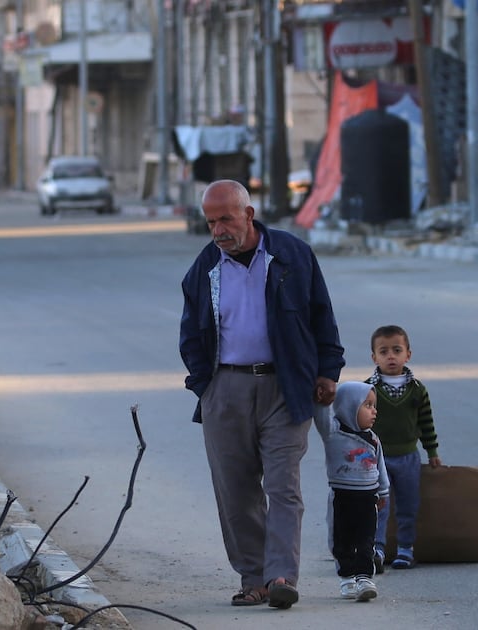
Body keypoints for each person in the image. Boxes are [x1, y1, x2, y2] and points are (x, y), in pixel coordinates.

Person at [179, 179, 345, 610]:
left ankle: (281, 576)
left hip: (285, 387)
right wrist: (205, 386)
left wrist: (327, 372)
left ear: (248, 215)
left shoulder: (292, 255)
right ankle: (253, 578)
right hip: (225, 389)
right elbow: (190, 334)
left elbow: (322, 316)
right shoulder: (204, 269)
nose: (218, 230)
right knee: (236, 491)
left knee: (282, 485)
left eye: (226, 219)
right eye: (211, 222)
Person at [365, 325, 441, 571]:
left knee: (408, 505)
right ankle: (376, 549)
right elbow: (359, 424)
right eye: (383, 351)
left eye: (396, 350)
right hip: (377, 458)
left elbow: (426, 423)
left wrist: (432, 452)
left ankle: (405, 549)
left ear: (408, 354)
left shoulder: (417, 390)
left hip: (408, 457)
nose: (390, 356)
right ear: (374, 357)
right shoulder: (368, 389)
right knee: (377, 505)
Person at [314, 381, 388, 602]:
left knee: (366, 540)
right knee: (341, 539)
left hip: (368, 498)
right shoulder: (333, 432)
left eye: (374, 405)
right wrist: (323, 397)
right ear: (348, 406)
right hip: (342, 497)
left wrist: (383, 492)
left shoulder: (373, 439)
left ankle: (365, 578)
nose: (374, 411)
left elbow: (380, 466)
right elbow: (321, 416)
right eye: (367, 405)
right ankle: (347, 578)